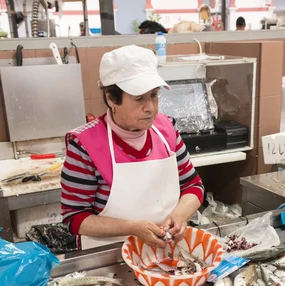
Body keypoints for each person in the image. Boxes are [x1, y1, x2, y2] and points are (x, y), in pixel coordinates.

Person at [60, 45, 205, 250]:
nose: (151, 108)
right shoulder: (84, 145)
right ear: (111, 98)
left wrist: (180, 216)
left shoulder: (167, 129)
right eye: (139, 99)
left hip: (166, 250)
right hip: (108, 255)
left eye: (154, 95)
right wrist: (133, 228)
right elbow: (74, 218)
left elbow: (193, 186)